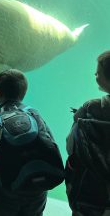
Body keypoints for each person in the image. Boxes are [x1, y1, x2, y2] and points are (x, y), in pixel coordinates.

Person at [0, 69, 57, 216]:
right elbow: (50, 143)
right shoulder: (34, 113)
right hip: (37, 188)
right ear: (23, 93)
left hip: (6, 190)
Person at [66, 50, 110, 216]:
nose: (95, 74)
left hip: (90, 196)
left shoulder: (90, 108)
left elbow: (71, 146)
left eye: (98, 72)